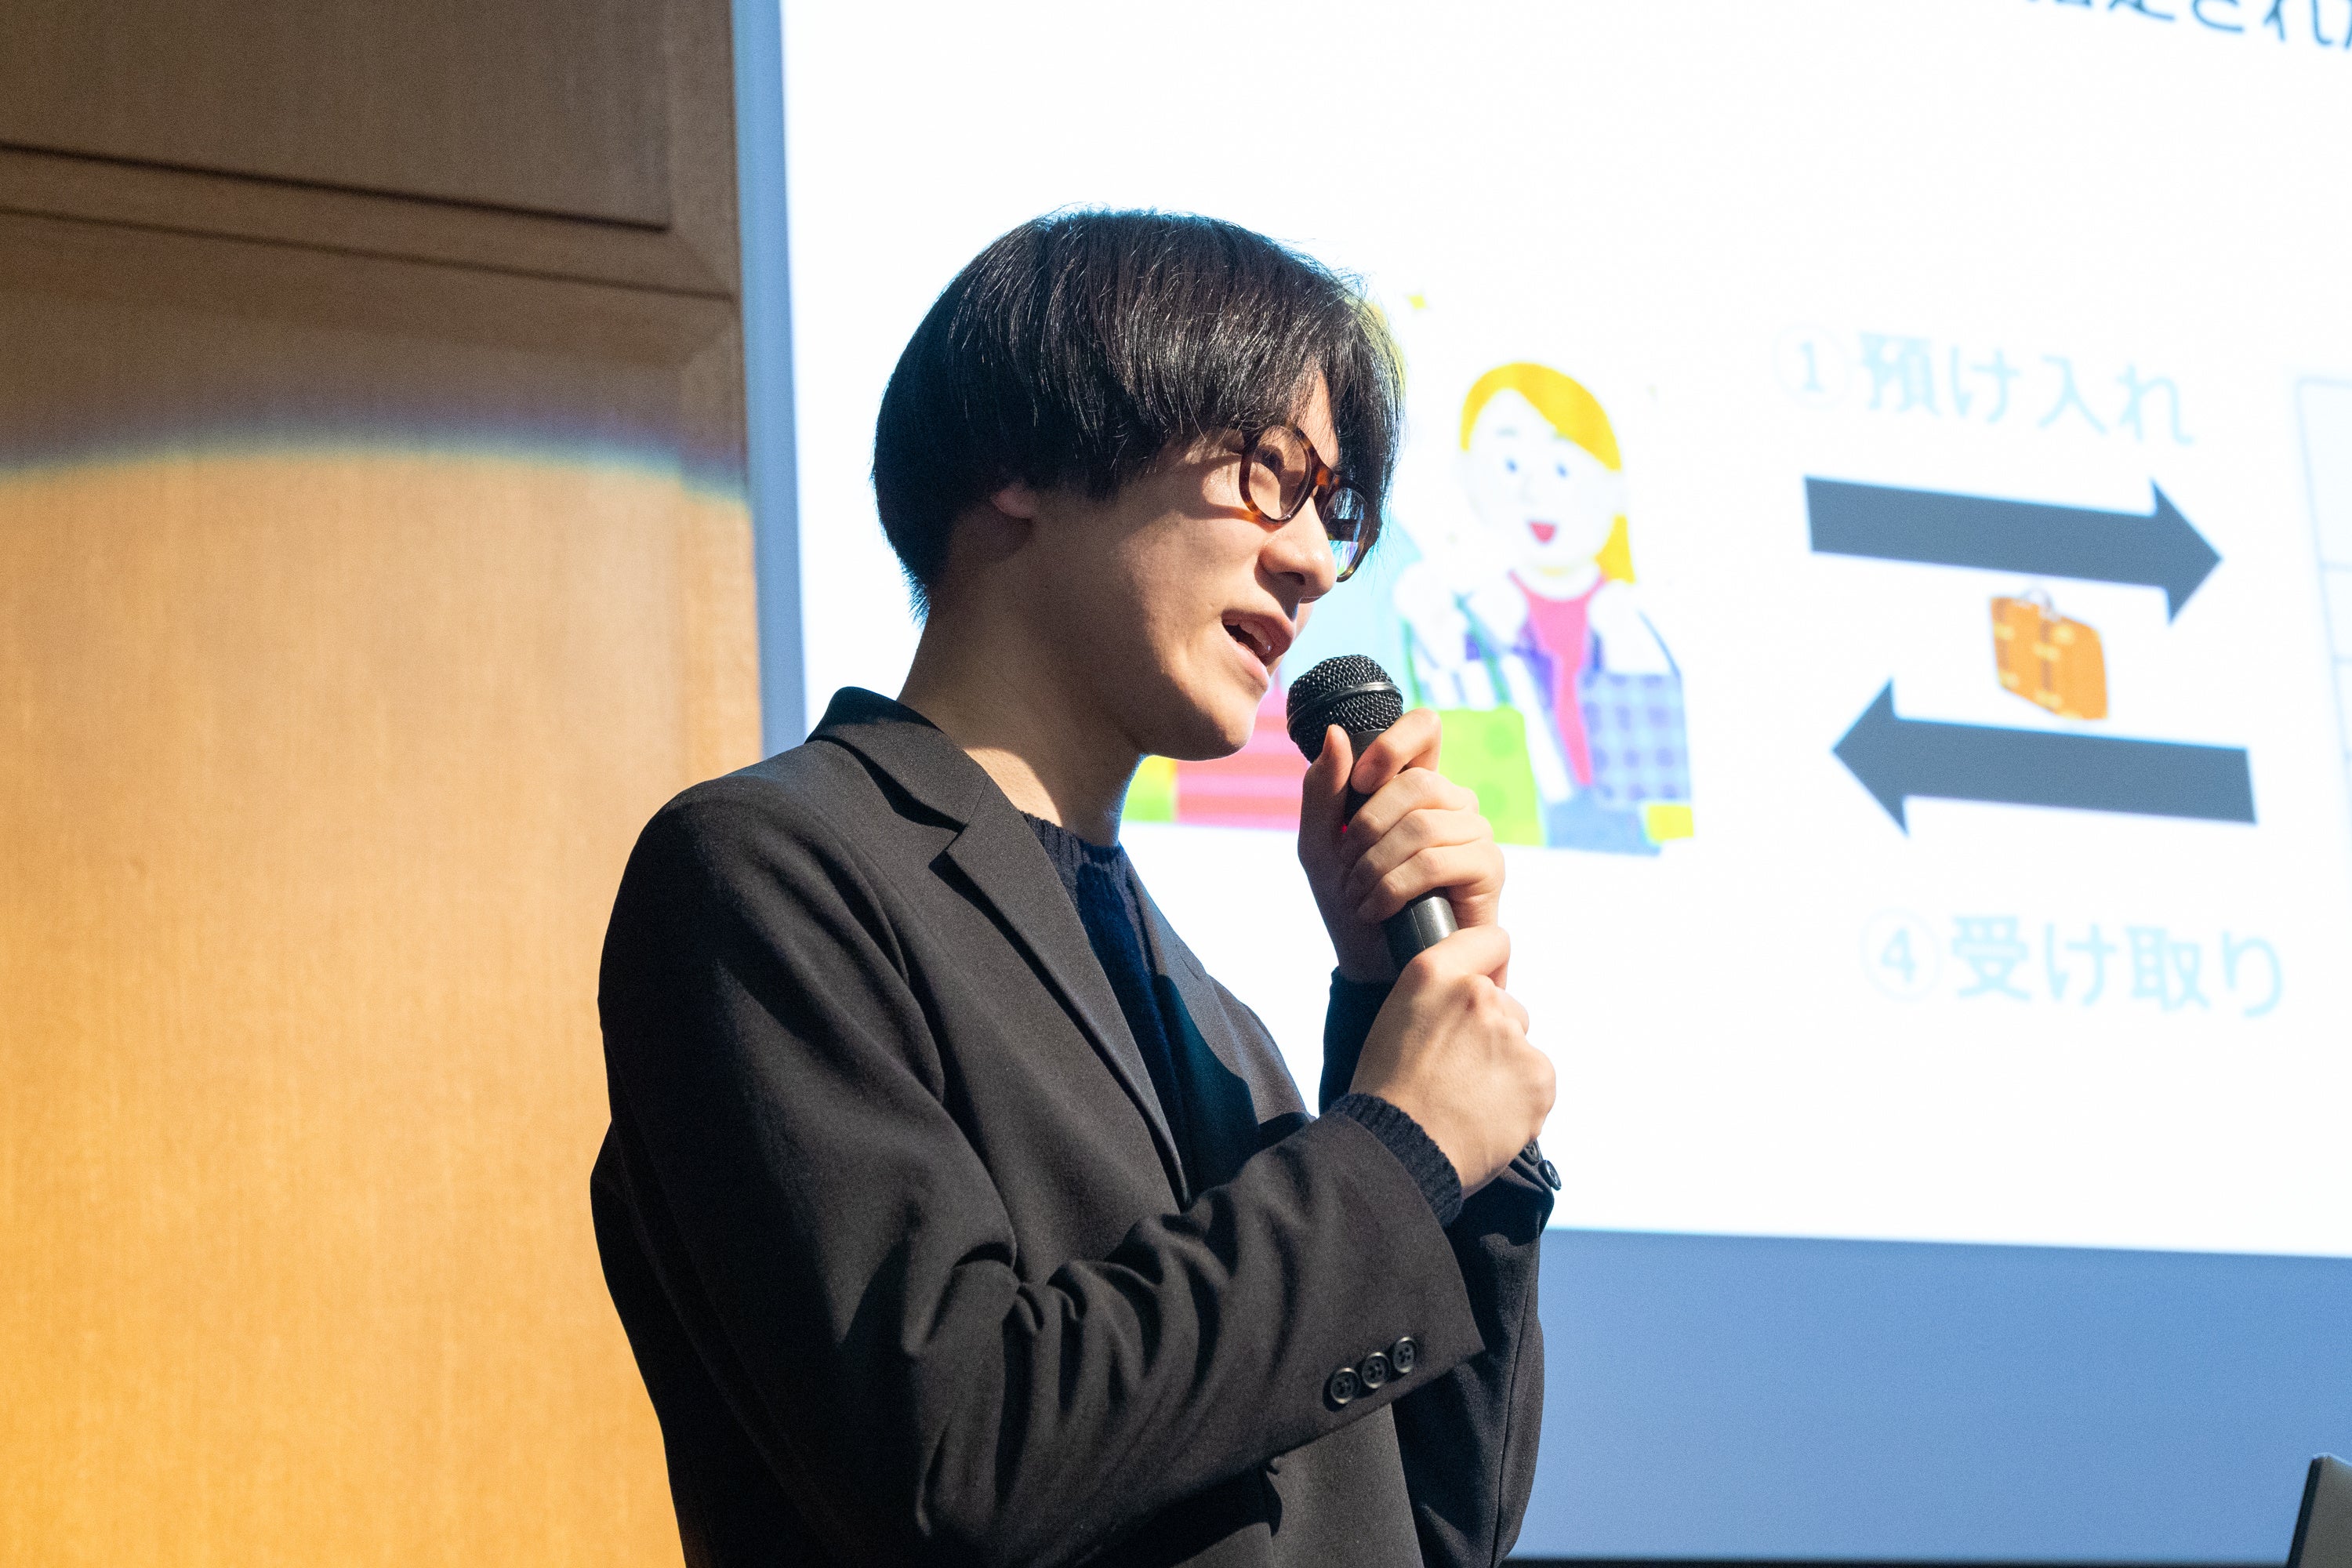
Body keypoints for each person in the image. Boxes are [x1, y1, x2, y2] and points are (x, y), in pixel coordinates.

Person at [590, 211, 1559, 1568]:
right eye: (1269, 474)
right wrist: (1396, 1149)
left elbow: (1438, 1526)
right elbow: (951, 1457)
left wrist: (1397, 1013)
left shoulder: (1219, 1025)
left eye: (1333, 513)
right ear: (1018, 461)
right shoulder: (766, 874)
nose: (1313, 562)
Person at [1393, 362, 1691, 854]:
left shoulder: (1627, 622)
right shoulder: (1473, 617)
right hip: (1510, 844)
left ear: (1615, 485)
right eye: (1510, 466)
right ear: (1467, 475)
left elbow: (1664, 787)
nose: (1536, 492)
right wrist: (1446, 640)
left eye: (1562, 468)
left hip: (1627, 841)